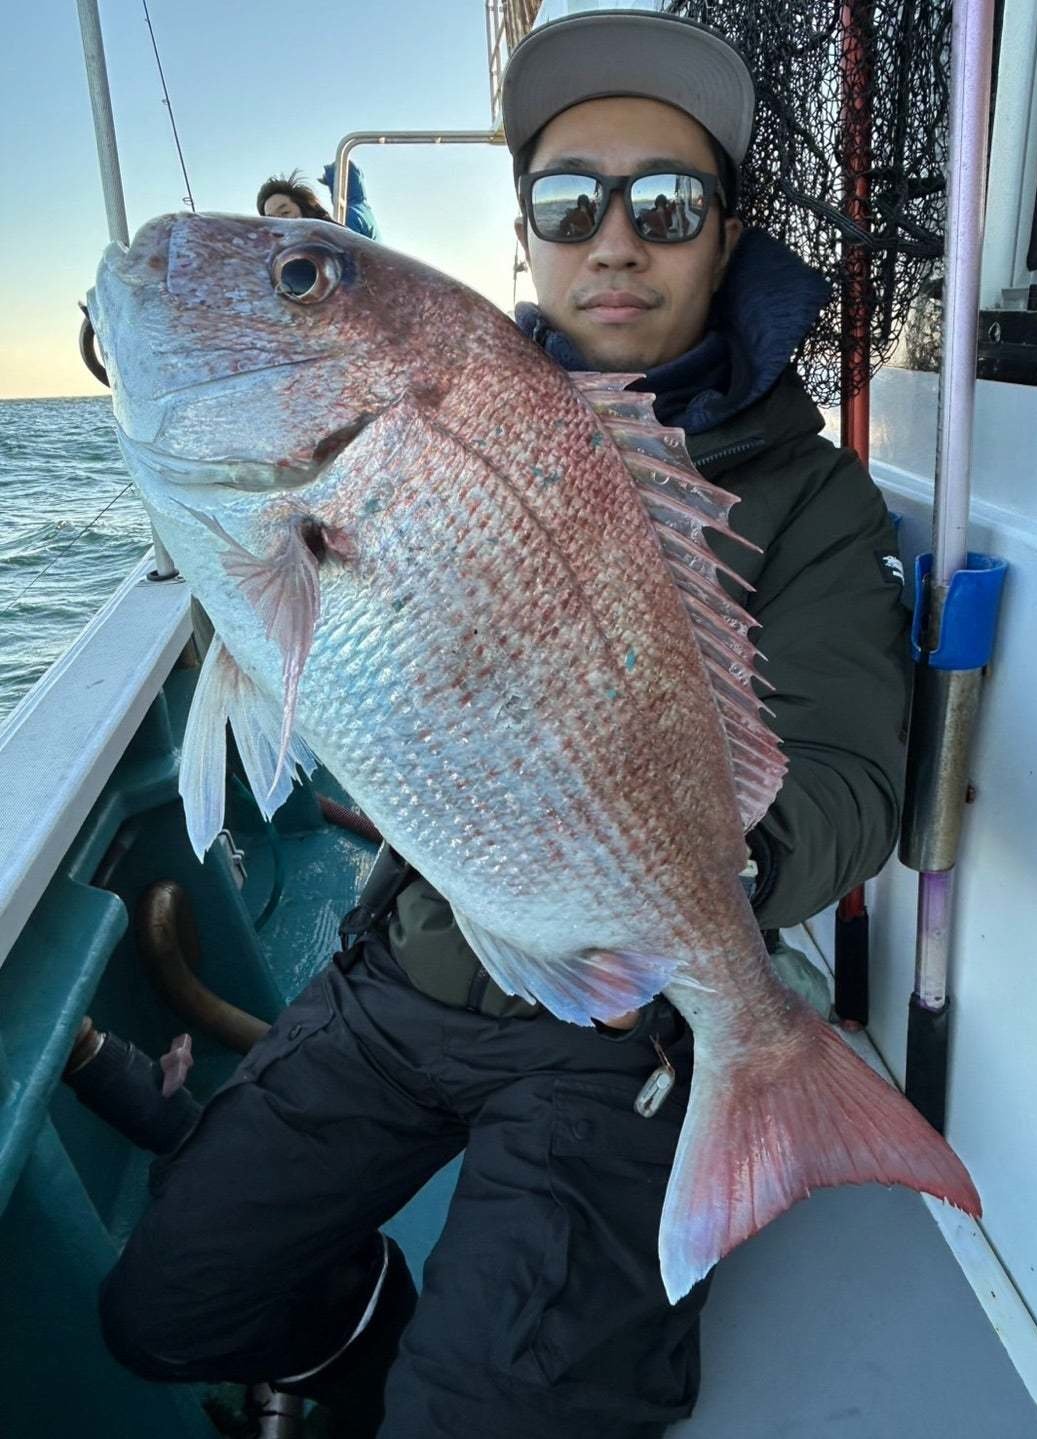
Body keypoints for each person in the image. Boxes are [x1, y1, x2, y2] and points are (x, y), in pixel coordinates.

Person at [100, 11, 908, 1439]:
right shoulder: (448, 405)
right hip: (410, 961)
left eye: (668, 203)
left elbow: (852, 784)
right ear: (527, 232)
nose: (617, 241)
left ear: (726, 236)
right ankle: (363, 1334)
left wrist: (674, 883)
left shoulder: (817, 502)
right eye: (569, 199)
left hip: (633, 1025)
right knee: (162, 1307)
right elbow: (289, 609)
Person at [256, 159, 380, 239]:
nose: (278, 223)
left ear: (305, 209)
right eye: (270, 219)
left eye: (285, 213)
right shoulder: (363, 209)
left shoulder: (334, 232)